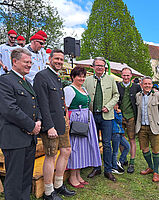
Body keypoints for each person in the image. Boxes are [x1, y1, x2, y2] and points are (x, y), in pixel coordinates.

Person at [33, 49, 75, 200]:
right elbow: (42, 104)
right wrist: (49, 126)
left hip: (61, 122)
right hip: (50, 125)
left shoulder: (56, 77)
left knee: (66, 151)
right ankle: (48, 192)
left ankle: (58, 185)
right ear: (49, 59)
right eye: (56, 58)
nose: (59, 61)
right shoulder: (42, 76)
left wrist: (65, 117)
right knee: (50, 156)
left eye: (61, 59)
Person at [0, 48, 41, 200]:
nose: (29, 65)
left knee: (25, 178)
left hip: (28, 139)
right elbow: (9, 109)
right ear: (14, 61)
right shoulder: (5, 81)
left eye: (30, 62)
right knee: (14, 180)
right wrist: (31, 126)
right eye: (26, 62)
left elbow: (35, 104)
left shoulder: (26, 82)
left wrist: (39, 121)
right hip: (14, 139)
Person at [64, 66, 102, 188]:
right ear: (73, 77)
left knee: (82, 148)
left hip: (85, 119)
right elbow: (65, 108)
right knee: (75, 148)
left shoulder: (83, 89)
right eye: (79, 76)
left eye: (83, 76)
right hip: (75, 120)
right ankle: (72, 177)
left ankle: (78, 174)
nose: (82, 78)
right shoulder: (69, 89)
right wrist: (67, 123)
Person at [83, 57, 119, 182]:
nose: (99, 67)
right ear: (93, 67)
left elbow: (116, 95)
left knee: (107, 144)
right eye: (97, 65)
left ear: (105, 67)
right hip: (92, 116)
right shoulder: (87, 80)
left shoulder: (111, 79)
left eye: (102, 65)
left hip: (107, 116)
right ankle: (96, 167)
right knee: (93, 142)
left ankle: (108, 170)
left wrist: (108, 106)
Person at [135, 76, 159, 182]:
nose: (147, 85)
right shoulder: (138, 96)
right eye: (145, 84)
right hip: (142, 127)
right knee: (144, 149)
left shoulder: (158, 95)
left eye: (149, 84)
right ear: (141, 85)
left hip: (154, 127)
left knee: (156, 150)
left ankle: (156, 172)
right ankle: (150, 167)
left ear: (152, 85)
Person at [117, 67, 141, 173]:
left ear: (131, 76)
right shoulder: (117, 86)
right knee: (121, 139)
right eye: (124, 75)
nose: (126, 77)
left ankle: (132, 162)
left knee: (132, 139)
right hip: (120, 116)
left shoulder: (136, 87)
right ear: (121, 75)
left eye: (128, 75)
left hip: (131, 117)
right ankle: (123, 159)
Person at [111, 103, 130, 174]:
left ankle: (120, 162)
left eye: (118, 105)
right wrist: (120, 114)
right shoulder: (112, 113)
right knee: (115, 151)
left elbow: (120, 122)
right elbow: (119, 120)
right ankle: (114, 167)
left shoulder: (116, 112)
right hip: (115, 133)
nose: (117, 106)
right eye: (115, 105)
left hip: (120, 133)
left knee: (127, 146)